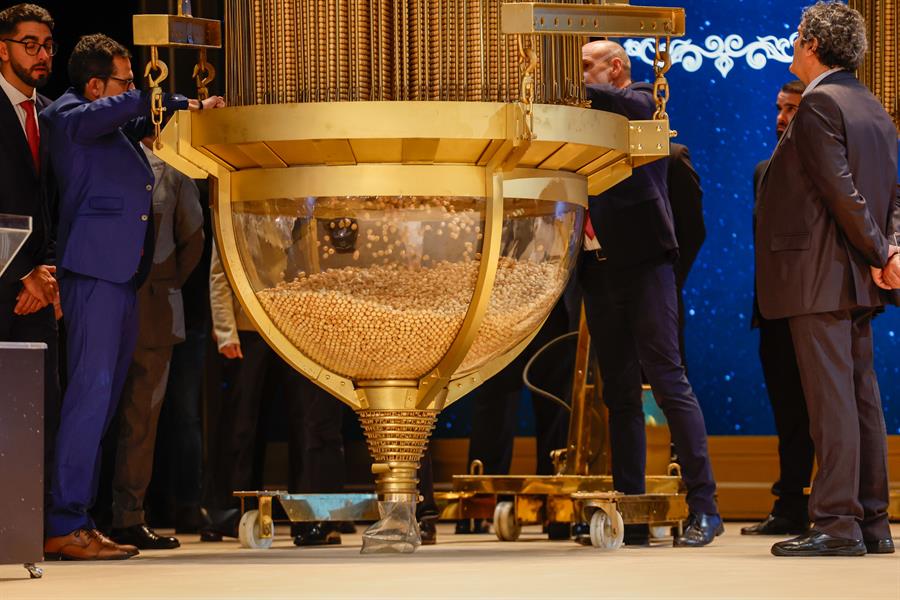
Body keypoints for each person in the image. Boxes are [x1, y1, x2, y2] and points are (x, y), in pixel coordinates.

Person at [41, 33, 224, 561]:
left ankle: (79, 518)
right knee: (89, 400)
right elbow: (136, 108)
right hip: (94, 273)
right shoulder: (70, 116)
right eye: (124, 80)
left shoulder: (109, 121)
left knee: (103, 403)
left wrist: (195, 107)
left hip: (120, 276)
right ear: (96, 85)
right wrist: (164, 95)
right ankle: (65, 520)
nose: (133, 89)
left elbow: (144, 120)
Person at [758, 2, 898, 557]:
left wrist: (878, 249)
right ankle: (873, 521)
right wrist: (888, 251)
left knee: (833, 399)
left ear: (812, 43)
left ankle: (838, 521)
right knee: (861, 395)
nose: (793, 45)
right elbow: (891, 195)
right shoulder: (873, 107)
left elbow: (842, 191)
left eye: (797, 36)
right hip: (856, 273)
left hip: (820, 272)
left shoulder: (818, 103)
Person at [580, 39, 721, 547]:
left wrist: (567, 87)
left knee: (668, 382)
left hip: (645, 268)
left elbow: (638, 105)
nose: (579, 78)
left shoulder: (640, 101)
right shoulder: (585, 129)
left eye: (586, 68)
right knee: (617, 396)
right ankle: (630, 509)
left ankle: (705, 506)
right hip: (596, 271)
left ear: (614, 68)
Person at [203, 242, 346, 546]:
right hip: (250, 323)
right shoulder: (243, 195)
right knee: (242, 423)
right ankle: (233, 512)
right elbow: (221, 268)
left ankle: (311, 517)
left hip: (301, 325)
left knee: (310, 421)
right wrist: (225, 328)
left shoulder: (307, 206)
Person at [107, 134, 204, 550]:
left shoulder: (176, 173)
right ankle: (81, 512)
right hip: (104, 301)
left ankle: (129, 516)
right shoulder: (105, 158)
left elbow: (192, 240)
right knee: (96, 412)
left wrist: (161, 285)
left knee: (142, 420)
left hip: (155, 305)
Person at [742, 80, 814, 537]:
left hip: (814, 308)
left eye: (791, 109)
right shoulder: (762, 171)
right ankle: (789, 506)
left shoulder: (828, 171)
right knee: (788, 414)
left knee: (825, 414)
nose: (781, 118)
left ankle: (837, 507)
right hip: (772, 312)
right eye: (779, 109)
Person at [0, 2, 60, 533]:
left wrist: (49, 273)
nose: (40, 55)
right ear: (3, 48)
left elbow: (54, 203)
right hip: (9, 283)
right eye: (29, 45)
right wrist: (23, 274)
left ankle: (29, 530)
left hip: (40, 286)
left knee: (41, 412)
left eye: (46, 46)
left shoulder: (52, 112)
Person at [668, 142, 705, 367]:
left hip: (657, 292)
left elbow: (693, 231)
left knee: (665, 379)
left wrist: (668, 279)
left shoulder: (672, 158)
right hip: (596, 293)